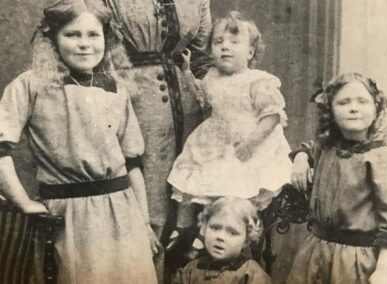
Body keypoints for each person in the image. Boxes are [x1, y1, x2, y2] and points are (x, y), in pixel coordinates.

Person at [0, 1, 158, 283]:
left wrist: (144, 222)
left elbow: (133, 163)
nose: (84, 44)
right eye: (73, 35)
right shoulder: (31, 85)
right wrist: (22, 201)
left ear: (106, 40)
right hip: (69, 219)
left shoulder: (116, 89)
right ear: (53, 39)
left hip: (124, 214)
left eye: (93, 35)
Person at [101, 0, 212, 280]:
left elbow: (201, 57)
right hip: (134, 104)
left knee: (188, 210)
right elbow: (93, 44)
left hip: (189, 113)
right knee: (147, 206)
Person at [166, 11, 292, 252]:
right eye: (218, 42)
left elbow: (272, 115)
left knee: (232, 195)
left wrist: (251, 144)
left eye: (235, 43)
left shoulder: (257, 80)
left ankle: (228, 236)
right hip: (214, 142)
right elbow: (203, 97)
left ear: (251, 52)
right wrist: (186, 72)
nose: (225, 48)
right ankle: (193, 230)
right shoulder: (212, 76)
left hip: (244, 146)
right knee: (199, 184)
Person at [287, 73, 387, 284]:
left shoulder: (380, 157)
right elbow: (310, 149)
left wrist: (383, 269)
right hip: (316, 252)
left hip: (358, 261)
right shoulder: (326, 146)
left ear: (376, 109)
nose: (353, 108)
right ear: (331, 111)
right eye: (344, 102)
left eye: (362, 101)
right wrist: (301, 158)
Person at [172, 196, 271, 283]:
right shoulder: (190, 270)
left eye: (232, 233)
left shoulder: (252, 274)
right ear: (205, 227)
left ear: (246, 240)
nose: (220, 237)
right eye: (215, 228)